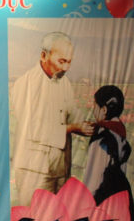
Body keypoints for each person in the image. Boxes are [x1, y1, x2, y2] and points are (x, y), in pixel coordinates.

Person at [11, 31, 93, 205]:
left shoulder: (64, 82)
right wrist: (72, 128)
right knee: (34, 215)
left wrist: (88, 124)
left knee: (60, 215)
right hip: (33, 170)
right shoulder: (25, 84)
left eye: (69, 62)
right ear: (44, 55)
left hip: (61, 167)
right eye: (61, 61)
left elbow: (71, 112)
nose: (65, 68)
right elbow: (31, 128)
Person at [82, 85, 134, 221]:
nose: (93, 111)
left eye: (95, 106)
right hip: (121, 195)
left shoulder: (102, 136)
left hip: (104, 198)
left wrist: (85, 204)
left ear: (104, 110)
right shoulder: (120, 133)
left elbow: (94, 178)